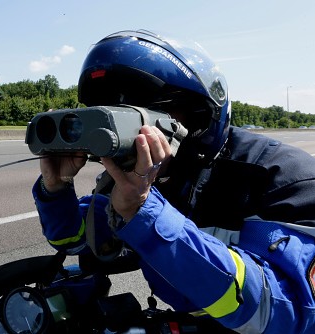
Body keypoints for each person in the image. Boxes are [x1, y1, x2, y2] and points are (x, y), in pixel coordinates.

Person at [32, 29, 315, 333]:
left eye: (138, 113)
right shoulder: (139, 181)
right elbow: (80, 242)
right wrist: (57, 187)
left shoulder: (283, 178)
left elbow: (285, 311)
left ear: (197, 114)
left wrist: (145, 214)